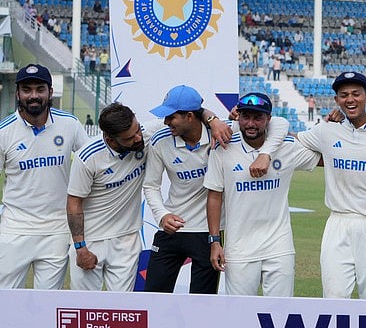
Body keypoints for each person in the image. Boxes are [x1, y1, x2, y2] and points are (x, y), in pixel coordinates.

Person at [143, 85, 286, 294]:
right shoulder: (161, 139)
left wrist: (265, 153)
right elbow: (151, 185)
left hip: (207, 235)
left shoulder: (224, 132)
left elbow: (279, 124)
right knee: (153, 297)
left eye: (171, 117)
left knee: (203, 304)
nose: (165, 122)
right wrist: (162, 214)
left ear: (190, 116)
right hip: (171, 230)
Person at [295, 71, 366, 299]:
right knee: (334, 299)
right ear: (336, 100)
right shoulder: (326, 130)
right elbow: (291, 141)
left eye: (356, 94)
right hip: (339, 222)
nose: (350, 99)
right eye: (344, 95)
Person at [204, 93, 321, 296]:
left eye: (258, 118)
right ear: (237, 117)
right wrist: (215, 242)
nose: (251, 123)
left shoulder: (286, 147)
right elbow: (214, 196)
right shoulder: (222, 147)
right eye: (246, 116)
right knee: (239, 313)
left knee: (280, 312)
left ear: (269, 119)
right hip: (239, 248)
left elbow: (327, 157)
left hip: (279, 246)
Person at [0, 64, 89, 289]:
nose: (34, 96)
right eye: (27, 89)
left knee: (46, 306)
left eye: (40, 89)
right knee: (6, 301)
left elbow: (92, 163)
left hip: (57, 230)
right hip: (14, 229)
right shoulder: (4, 131)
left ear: (50, 92)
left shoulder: (69, 124)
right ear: (18, 93)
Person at [66, 103, 149, 291]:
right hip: (90, 241)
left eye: (137, 130)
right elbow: (74, 202)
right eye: (130, 138)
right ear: (111, 140)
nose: (138, 138)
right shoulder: (87, 157)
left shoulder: (145, 135)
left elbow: (182, 117)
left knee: (122, 308)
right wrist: (81, 248)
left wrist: (211, 119)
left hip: (127, 239)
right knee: (85, 308)